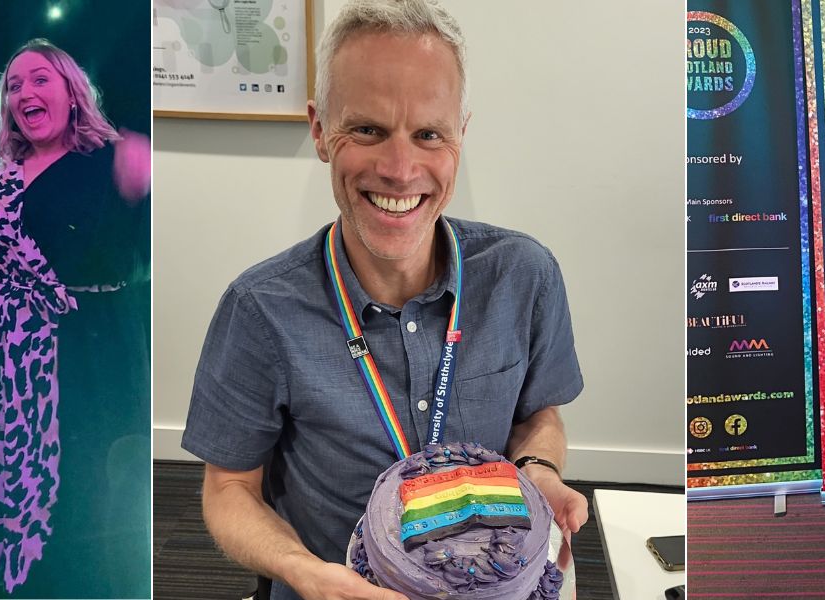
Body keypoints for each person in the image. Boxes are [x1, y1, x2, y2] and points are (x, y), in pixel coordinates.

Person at [181, 1, 588, 598]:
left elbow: (539, 416)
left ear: (460, 135)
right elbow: (228, 489)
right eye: (368, 129)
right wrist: (303, 572)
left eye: (428, 134)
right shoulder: (260, 309)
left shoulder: (524, 275)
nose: (401, 169)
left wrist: (540, 469)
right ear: (320, 130)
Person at [0, 38, 151, 597]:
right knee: (5, 491)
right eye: (14, 85)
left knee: (83, 496)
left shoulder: (114, 157)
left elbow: (139, 258)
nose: (25, 92)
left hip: (86, 351)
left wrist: (144, 191)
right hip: (2, 362)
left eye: (39, 79)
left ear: (73, 91)